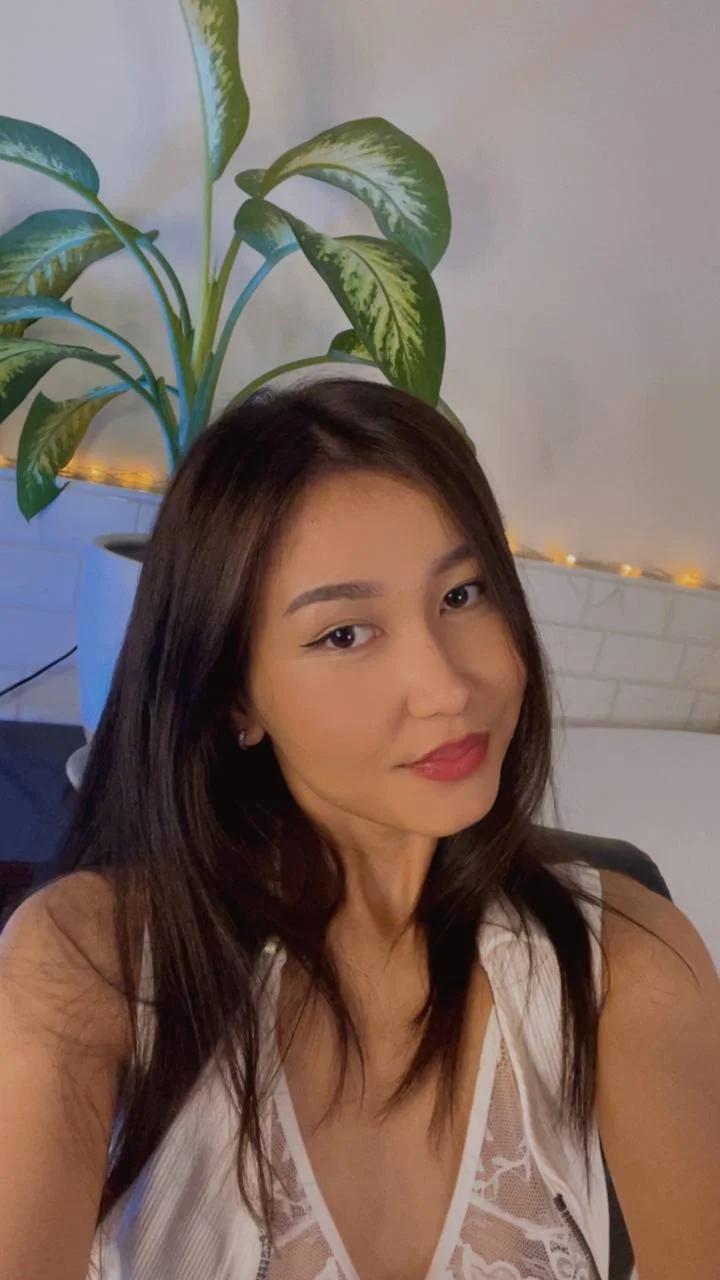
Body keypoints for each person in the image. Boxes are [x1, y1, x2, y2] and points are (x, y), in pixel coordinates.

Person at [0, 379, 717, 1280]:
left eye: (463, 594)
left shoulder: (630, 963)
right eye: (344, 634)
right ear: (235, 699)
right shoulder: (88, 963)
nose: (448, 689)